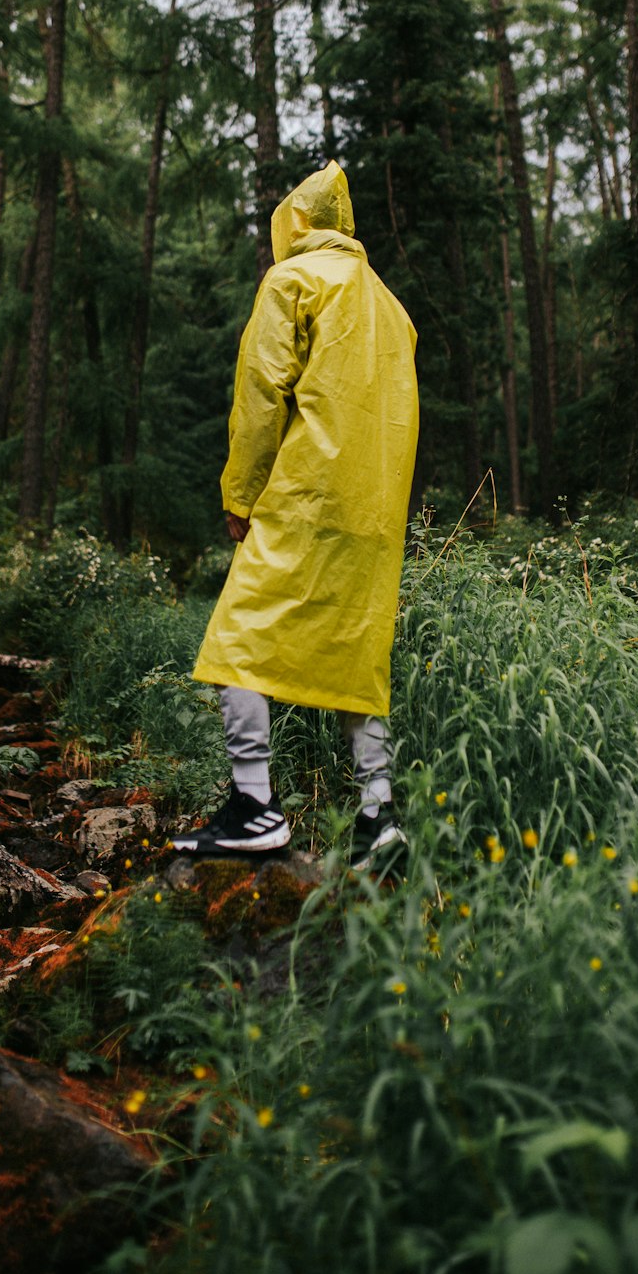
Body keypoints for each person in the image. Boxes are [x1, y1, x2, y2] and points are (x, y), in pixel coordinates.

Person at [172, 160, 419, 871]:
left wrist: (240, 495)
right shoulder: (389, 305)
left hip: (304, 498)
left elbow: (260, 394)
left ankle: (254, 807)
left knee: (237, 640)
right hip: (374, 516)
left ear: (298, 223)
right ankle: (380, 815)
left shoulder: (292, 281)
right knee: (357, 660)